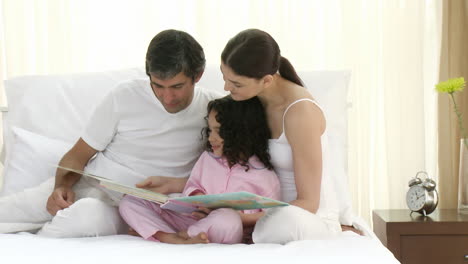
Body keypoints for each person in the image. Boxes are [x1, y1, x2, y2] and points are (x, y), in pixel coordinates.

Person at [0, 29, 221, 237]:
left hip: (132, 208)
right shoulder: (124, 95)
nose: (167, 97)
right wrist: (62, 187)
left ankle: (37, 244)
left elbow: (228, 173)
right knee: (7, 212)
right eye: (158, 86)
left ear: (198, 75)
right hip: (88, 184)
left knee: (84, 219)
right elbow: (77, 156)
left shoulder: (214, 110)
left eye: (176, 86)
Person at [219, 29, 348, 244]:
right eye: (225, 78)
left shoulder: (300, 112)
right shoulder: (250, 101)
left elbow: (309, 202)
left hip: (307, 218)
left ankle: (256, 233)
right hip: (267, 216)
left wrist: (248, 220)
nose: (226, 87)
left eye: (236, 84)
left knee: (287, 221)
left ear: (267, 80)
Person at [119, 95, 280, 244]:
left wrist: (241, 218)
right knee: (131, 201)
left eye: (220, 131)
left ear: (243, 132)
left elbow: (270, 216)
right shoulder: (208, 158)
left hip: (226, 227)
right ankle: (171, 238)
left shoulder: (264, 175)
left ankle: (185, 236)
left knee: (227, 219)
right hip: (191, 219)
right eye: (210, 130)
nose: (211, 138)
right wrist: (199, 197)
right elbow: (193, 185)